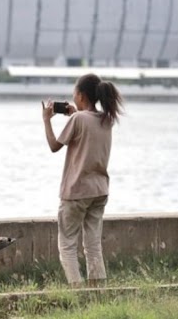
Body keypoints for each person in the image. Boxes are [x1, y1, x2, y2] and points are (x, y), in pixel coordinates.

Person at [41, 73, 124, 288]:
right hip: (99, 190)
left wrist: (46, 120)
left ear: (81, 95)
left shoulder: (78, 119)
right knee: (93, 245)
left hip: (76, 191)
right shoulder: (107, 119)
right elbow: (88, 128)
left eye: (74, 93)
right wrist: (76, 113)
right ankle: (98, 292)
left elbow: (54, 146)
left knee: (67, 245)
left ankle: (77, 292)